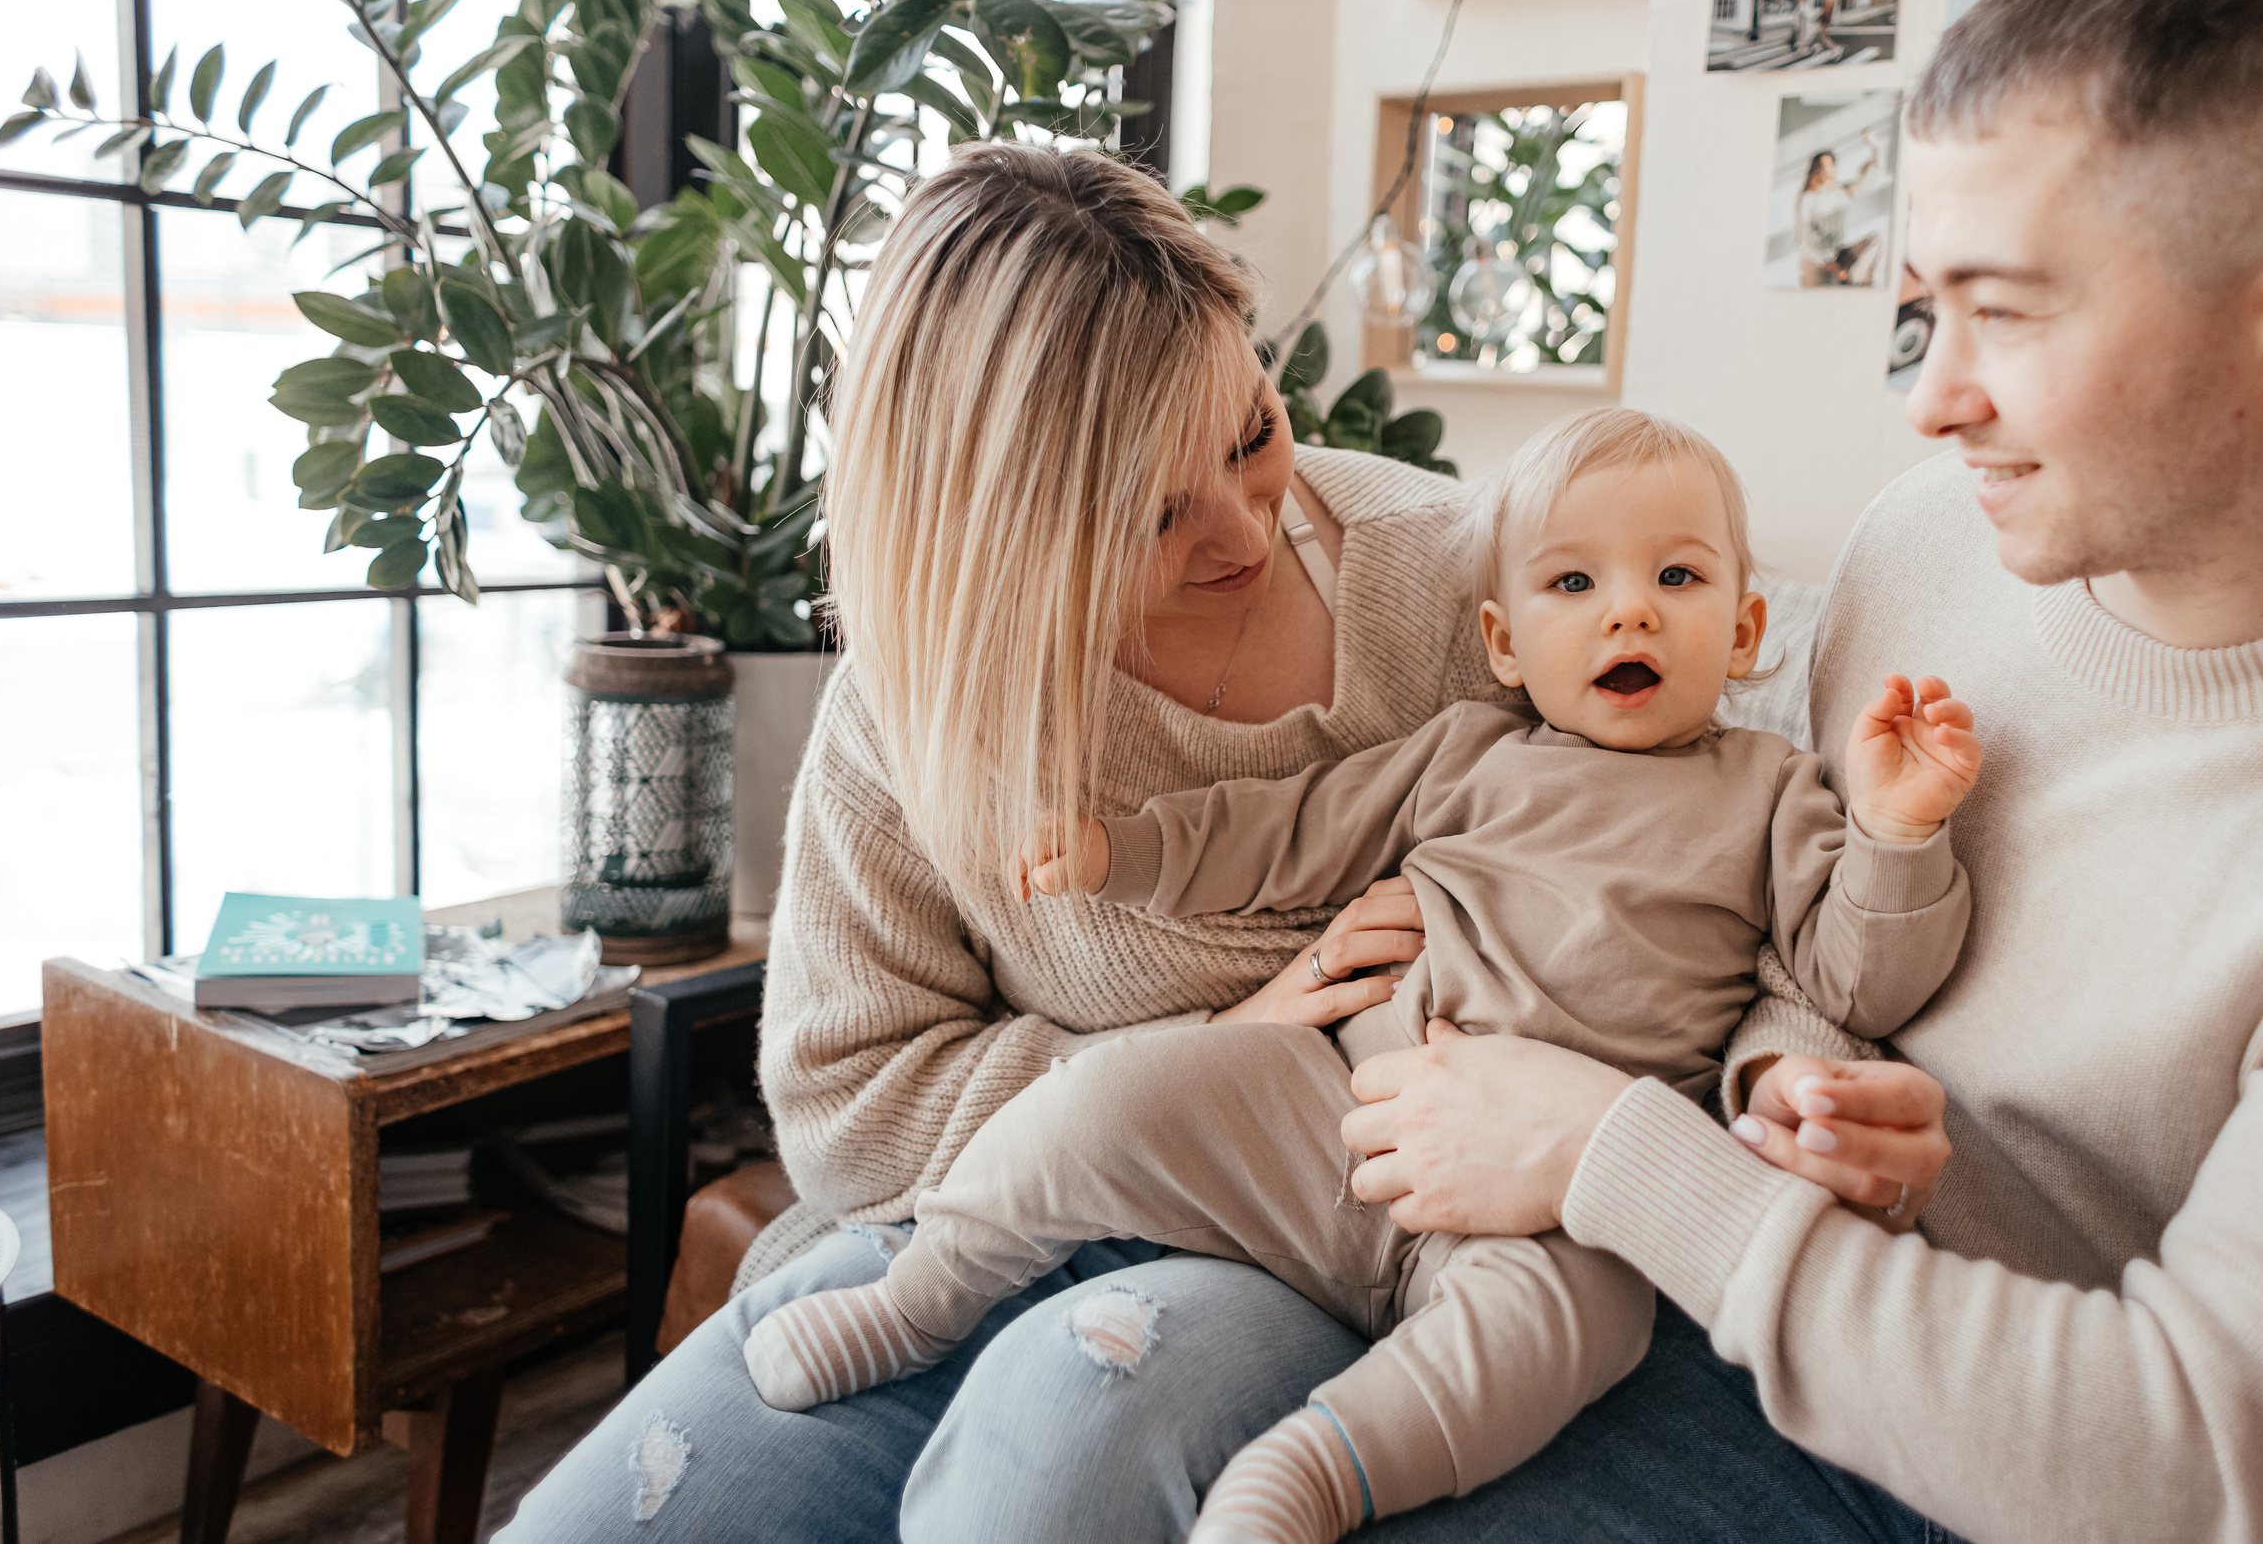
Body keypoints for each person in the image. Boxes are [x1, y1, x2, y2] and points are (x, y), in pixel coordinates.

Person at [1324, 0, 2263, 1544]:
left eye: (2008, 309)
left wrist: (1624, 1150)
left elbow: (2199, 1458)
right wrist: (1797, 1092)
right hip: (1852, 1334)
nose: (1931, 394)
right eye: (1925, 303)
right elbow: (1812, 963)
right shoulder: (1932, 542)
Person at [493, 149, 1902, 1542]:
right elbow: (850, 1108)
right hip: (995, 1201)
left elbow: (1726, 859)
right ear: (997, 531)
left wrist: (1774, 1076)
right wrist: (1228, 1032)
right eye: (1154, 511)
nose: (1244, 524)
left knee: (1062, 1438)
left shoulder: (1474, 581)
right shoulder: (919, 707)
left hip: (1333, 1222)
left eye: (1251, 431)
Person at [739, 407, 1980, 1544]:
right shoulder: (1463, 757)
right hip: (1335, 1112)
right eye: (1572, 583)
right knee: (1109, 1101)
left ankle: (1311, 1479)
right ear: (1499, 639)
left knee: (1577, 1333)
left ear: (1750, 628)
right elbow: (1275, 832)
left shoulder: (1777, 796)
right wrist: (1119, 854)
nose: (1628, 613)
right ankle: (919, 1300)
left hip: (1552, 1205)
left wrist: (1898, 834)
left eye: (1676, 577)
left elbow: (1856, 981)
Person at [1794, 133, 1884, 288]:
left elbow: (1870, 179)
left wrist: (1875, 145)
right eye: (1827, 165)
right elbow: (1803, 238)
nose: (1831, 169)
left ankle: (1857, 280)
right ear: (1817, 170)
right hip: (1818, 259)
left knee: (1875, 241)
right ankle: (1847, 278)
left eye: (1833, 164)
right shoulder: (1807, 199)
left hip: (1841, 254)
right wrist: (1825, 262)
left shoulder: (1840, 192)